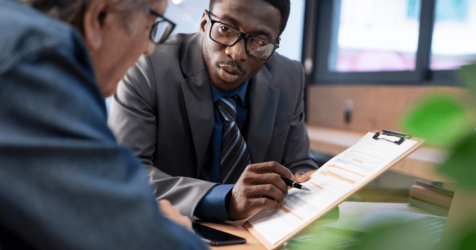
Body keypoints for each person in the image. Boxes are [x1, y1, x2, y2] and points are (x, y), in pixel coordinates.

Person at [0, 0, 208, 249]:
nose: (149, 48)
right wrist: (168, 231)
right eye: (151, 26)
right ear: (99, 17)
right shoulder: (34, 62)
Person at [108, 0, 319, 222]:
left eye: (259, 41)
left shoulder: (290, 77)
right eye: (225, 29)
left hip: (258, 231)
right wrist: (225, 200)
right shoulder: (147, 67)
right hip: (172, 227)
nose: (236, 53)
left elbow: (299, 165)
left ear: (275, 44)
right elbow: (125, 172)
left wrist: (314, 190)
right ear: (204, 23)